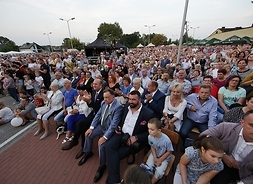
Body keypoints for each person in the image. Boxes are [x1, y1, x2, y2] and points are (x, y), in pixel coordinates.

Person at [105, 90, 154, 184]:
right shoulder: (126, 107)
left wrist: (137, 137)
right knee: (108, 146)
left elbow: (150, 132)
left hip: (133, 140)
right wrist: (118, 127)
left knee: (115, 156)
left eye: (133, 100)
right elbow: (120, 121)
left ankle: (112, 180)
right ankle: (115, 181)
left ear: (140, 99)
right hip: (121, 134)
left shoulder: (148, 114)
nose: (131, 101)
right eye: (129, 99)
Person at [77, 89, 123, 181]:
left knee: (101, 145)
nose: (105, 99)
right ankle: (88, 152)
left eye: (107, 98)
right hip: (101, 126)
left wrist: (104, 137)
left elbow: (114, 125)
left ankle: (102, 166)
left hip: (109, 129)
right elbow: (97, 115)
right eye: (104, 97)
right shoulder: (103, 103)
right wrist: (91, 127)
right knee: (88, 134)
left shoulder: (118, 107)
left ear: (113, 97)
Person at [200, 110, 253, 184]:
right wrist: (223, 155)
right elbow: (203, 137)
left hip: (247, 174)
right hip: (222, 164)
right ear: (242, 122)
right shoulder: (226, 127)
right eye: (251, 125)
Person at [61, 79, 104, 151]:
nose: (94, 85)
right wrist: (88, 101)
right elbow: (91, 106)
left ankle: (75, 141)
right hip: (92, 113)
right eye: (93, 84)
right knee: (83, 128)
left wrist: (89, 101)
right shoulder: (93, 92)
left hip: (99, 115)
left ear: (101, 85)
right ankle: (83, 148)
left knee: (80, 123)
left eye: (96, 84)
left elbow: (99, 108)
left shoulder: (103, 94)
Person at [180, 84, 218, 150]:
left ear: (210, 93)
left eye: (206, 93)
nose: (203, 94)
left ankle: (197, 146)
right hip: (191, 119)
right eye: (202, 92)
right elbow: (183, 103)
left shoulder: (214, 101)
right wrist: (190, 107)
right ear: (198, 92)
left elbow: (212, 117)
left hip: (203, 122)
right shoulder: (191, 97)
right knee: (182, 133)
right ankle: (185, 144)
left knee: (206, 136)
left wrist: (210, 130)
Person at [140, 118, 173, 184]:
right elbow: (152, 146)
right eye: (148, 128)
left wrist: (160, 160)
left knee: (159, 172)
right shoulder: (150, 137)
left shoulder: (166, 140)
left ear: (159, 130)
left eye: (152, 129)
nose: (149, 131)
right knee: (148, 167)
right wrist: (155, 157)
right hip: (154, 154)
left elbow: (169, 151)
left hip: (164, 157)